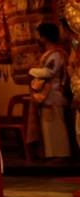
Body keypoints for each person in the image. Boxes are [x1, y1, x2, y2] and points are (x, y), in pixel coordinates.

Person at [29, 22, 71, 160]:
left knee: (56, 125)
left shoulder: (56, 54)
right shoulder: (49, 53)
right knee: (48, 127)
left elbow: (49, 72)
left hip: (54, 93)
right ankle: (51, 154)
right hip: (47, 94)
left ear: (44, 37)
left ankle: (61, 154)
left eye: (39, 35)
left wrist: (32, 70)